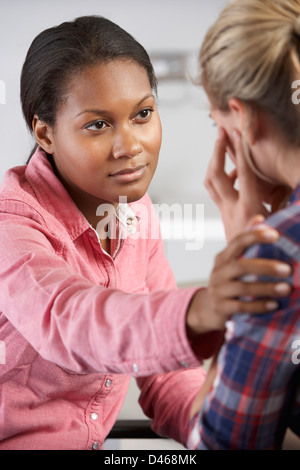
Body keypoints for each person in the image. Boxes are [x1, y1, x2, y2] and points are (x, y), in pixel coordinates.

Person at [0, 16, 291, 450]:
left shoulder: (135, 210)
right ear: (45, 132)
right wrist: (201, 309)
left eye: (142, 114)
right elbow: (69, 322)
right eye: (98, 125)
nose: (130, 146)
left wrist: (218, 429)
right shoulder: (12, 220)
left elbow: (168, 374)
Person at [188, 0, 300, 450]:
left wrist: (248, 249)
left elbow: (221, 444)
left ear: (245, 118)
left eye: (219, 123)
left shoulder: (276, 254)